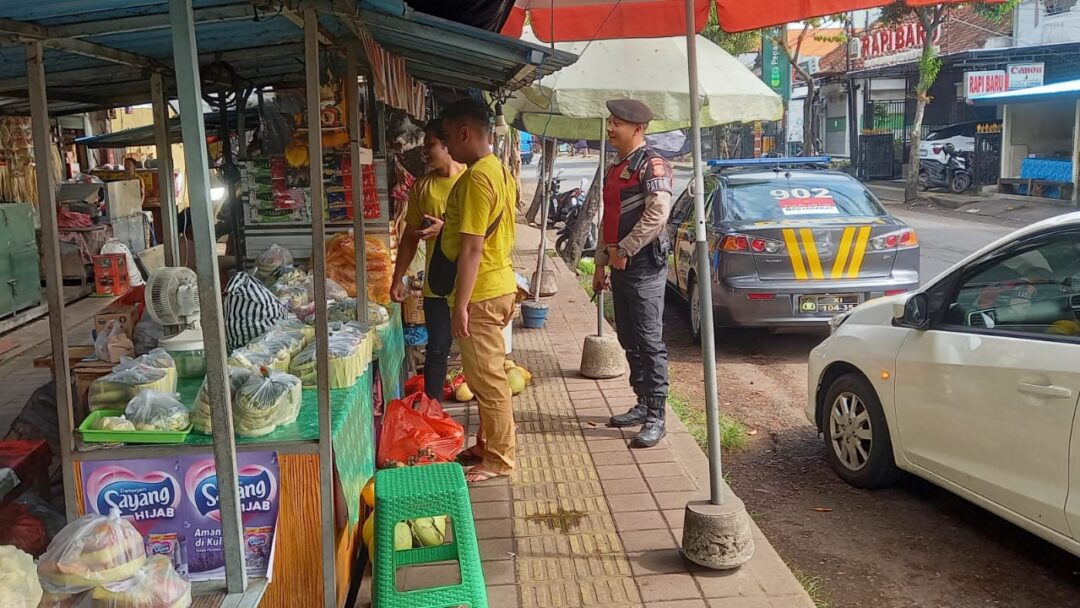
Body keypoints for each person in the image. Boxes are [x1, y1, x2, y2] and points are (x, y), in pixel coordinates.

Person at [439, 98, 518, 483]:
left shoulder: (476, 179)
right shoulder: (498, 171)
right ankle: (487, 445)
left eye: (450, 136)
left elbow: (471, 248)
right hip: (498, 284)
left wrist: (462, 305)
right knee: (487, 376)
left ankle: (500, 459)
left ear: (466, 132)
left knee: (488, 382)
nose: (448, 146)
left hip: (482, 292)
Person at [595, 99, 674, 448]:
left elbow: (658, 214)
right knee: (628, 337)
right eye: (611, 122)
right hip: (618, 263)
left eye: (617, 124)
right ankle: (642, 402)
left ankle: (657, 415)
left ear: (637, 129)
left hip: (643, 265)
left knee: (649, 340)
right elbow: (607, 218)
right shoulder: (616, 167)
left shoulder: (652, 165)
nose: (610, 129)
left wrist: (625, 249)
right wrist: (600, 263)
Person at [390, 118, 466, 401]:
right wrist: (397, 277)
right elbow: (409, 236)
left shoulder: (471, 179)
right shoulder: (422, 187)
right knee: (437, 346)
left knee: (474, 350)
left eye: (430, 144)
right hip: (437, 282)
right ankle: (432, 412)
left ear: (448, 144)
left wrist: (445, 228)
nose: (425, 151)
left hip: (472, 280)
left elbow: (485, 231)